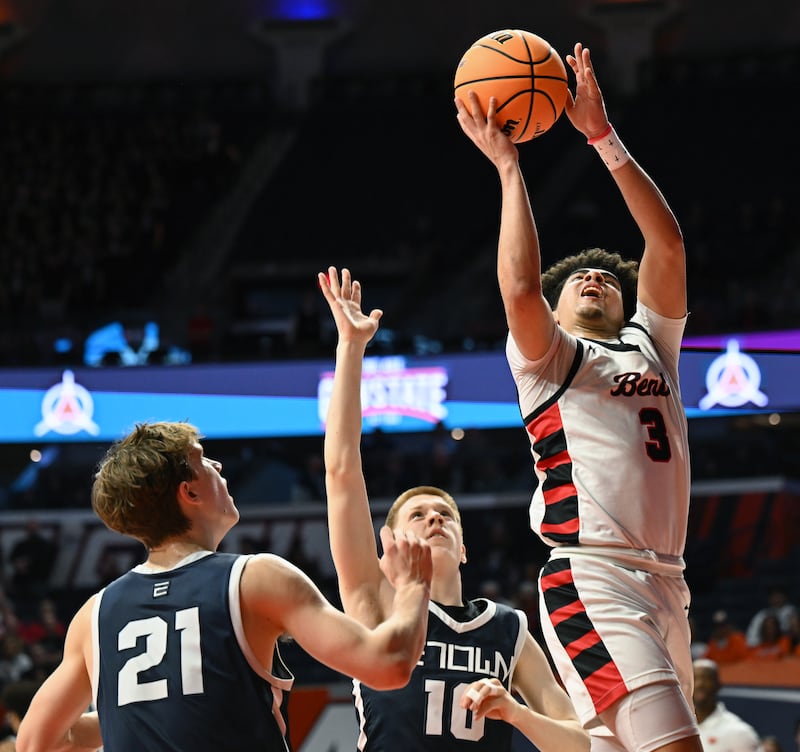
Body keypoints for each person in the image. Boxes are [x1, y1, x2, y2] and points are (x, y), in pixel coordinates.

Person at [455, 42, 701, 752]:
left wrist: (602, 136)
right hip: (594, 577)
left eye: (606, 277)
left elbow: (669, 248)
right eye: (579, 280)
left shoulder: (651, 345)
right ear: (558, 313)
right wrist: (509, 169)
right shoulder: (549, 360)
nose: (593, 277)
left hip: (668, 584)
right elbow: (521, 288)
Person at [17, 420, 433, 751]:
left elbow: (39, 742)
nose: (218, 467)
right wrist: (413, 586)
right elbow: (389, 665)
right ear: (190, 492)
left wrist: (143, 711)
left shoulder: (94, 614)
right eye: (204, 460)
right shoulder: (255, 579)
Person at [318, 266, 589, 752]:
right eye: (417, 515)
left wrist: (515, 711)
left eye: (445, 515)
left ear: (464, 549)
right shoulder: (375, 600)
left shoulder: (509, 628)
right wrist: (351, 347)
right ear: (390, 548)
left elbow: (579, 744)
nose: (435, 518)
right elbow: (341, 472)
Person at [692, 658, 761, 752]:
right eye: (695, 678)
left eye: (707, 678)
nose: (700, 684)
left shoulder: (738, 732)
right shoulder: (677, 727)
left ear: (718, 685)